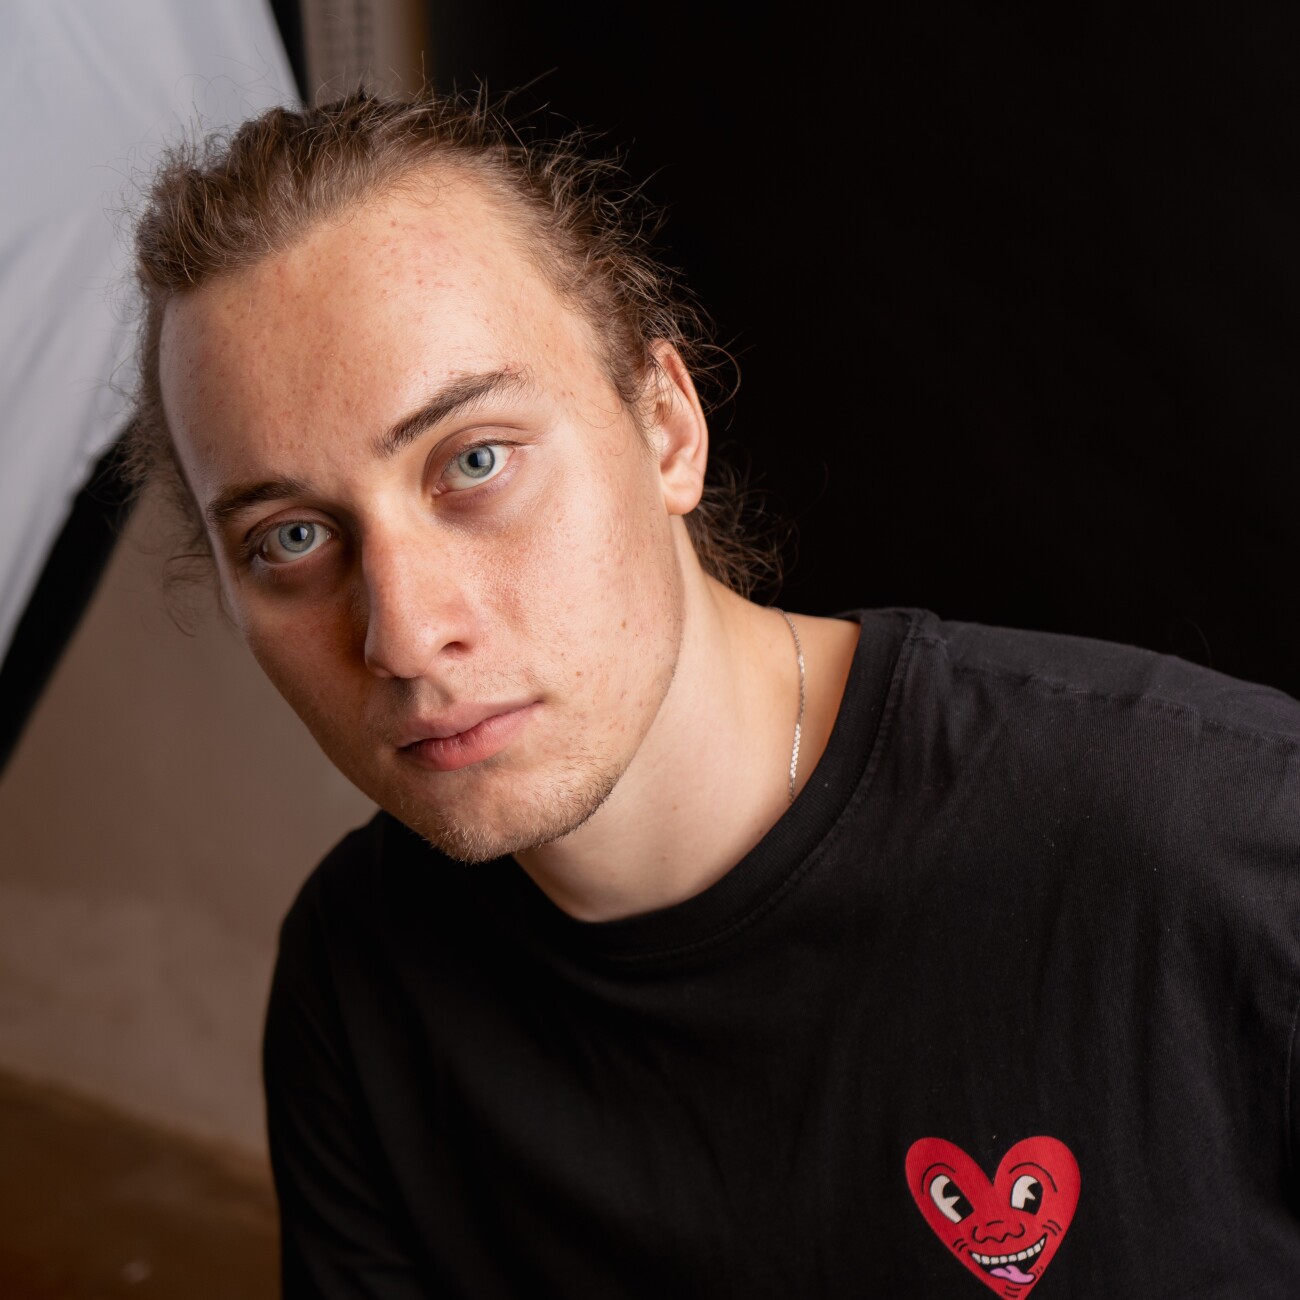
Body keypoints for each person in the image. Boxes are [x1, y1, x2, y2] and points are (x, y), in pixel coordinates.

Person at [130, 89, 1300, 1298]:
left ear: (667, 428)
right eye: (290, 538)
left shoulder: (1225, 847)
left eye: (474, 460)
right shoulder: (357, 978)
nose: (407, 635)